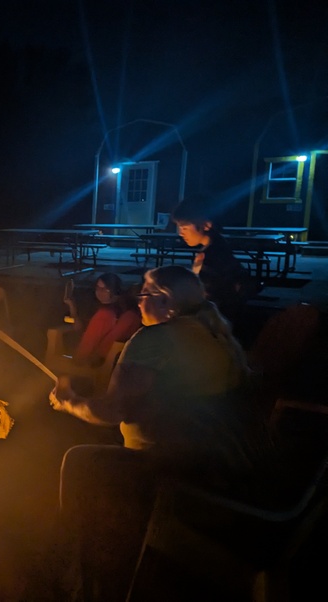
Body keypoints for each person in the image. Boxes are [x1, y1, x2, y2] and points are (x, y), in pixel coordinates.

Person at [48, 265, 261, 602]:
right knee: (106, 444)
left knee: (79, 461)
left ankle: (85, 570)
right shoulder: (214, 336)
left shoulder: (154, 339)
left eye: (144, 294)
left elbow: (111, 410)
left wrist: (71, 402)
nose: (138, 301)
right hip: (223, 462)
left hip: (180, 470)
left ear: (166, 303)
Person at [171, 196, 255, 326]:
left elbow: (208, 297)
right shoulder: (218, 247)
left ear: (206, 225)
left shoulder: (212, 258)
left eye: (184, 228)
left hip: (214, 324)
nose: (181, 233)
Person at [54, 272, 141, 368]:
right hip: (117, 362)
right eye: (98, 288)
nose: (99, 292)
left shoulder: (105, 314)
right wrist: (72, 307)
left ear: (115, 291)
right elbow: (88, 330)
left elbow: (87, 345)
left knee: (55, 337)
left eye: (105, 289)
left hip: (96, 363)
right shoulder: (126, 310)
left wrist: (76, 360)